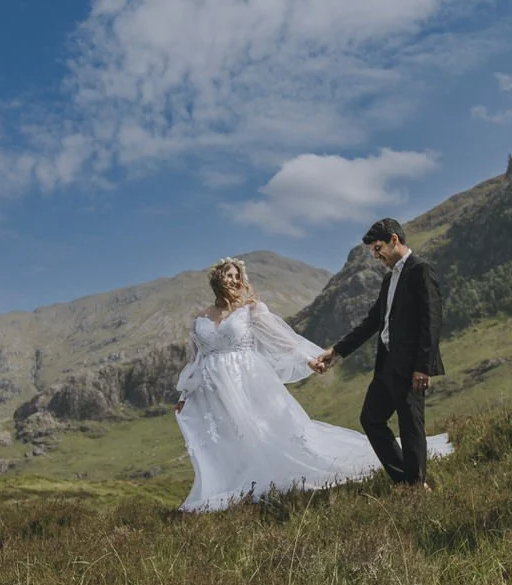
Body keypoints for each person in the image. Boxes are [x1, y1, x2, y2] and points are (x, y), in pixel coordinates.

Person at [173, 256, 450, 512]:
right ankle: (232, 487)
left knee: (262, 432)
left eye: (238, 276)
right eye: (229, 275)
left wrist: (309, 359)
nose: (235, 280)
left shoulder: (251, 311)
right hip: (215, 390)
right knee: (227, 439)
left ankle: (268, 480)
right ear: (217, 279)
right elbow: (198, 358)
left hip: (247, 383)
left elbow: (284, 338)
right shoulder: (202, 319)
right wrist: (186, 392)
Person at [311, 218, 447, 490]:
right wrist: (336, 351)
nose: (376, 256)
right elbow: (373, 322)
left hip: (411, 367)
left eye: (378, 248)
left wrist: (423, 366)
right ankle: (406, 482)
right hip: (386, 365)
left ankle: (417, 487)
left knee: (411, 426)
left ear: (394, 240)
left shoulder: (421, 270)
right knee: (371, 419)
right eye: (373, 251)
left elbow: (431, 321)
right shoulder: (389, 280)